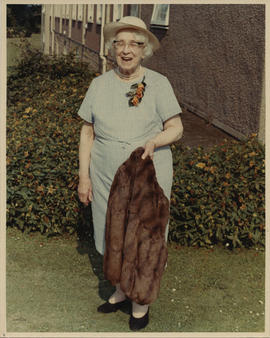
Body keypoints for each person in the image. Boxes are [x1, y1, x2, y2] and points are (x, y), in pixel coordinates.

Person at [77, 16, 183, 331]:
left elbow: (175, 128)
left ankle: (141, 303)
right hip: (106, 172)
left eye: (134, 44)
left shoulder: (159, 83)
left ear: (144, 49)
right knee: (113, 232)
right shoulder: (98, 85)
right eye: (120, 44)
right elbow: (87, 133)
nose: (126, 51)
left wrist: (154, 140)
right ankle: (122, 290)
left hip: (148, 173)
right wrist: (84, 177)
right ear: (112, 49)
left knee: (146, 237)